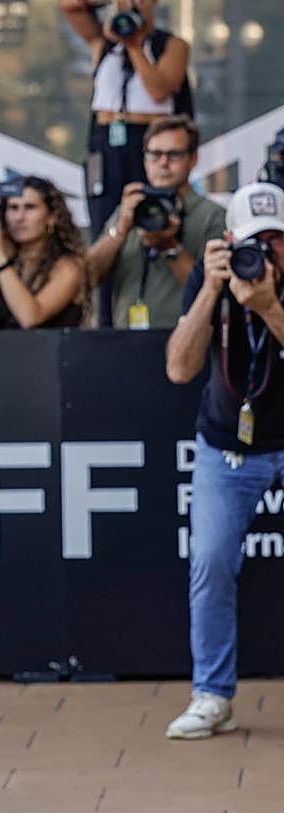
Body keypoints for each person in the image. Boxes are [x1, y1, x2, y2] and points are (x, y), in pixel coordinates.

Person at [164, 182, 284, 739]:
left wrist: (271, 309)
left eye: (276, 241)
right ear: (228, 241)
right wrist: (213, 292)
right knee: (210, 559)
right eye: (253, 243)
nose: (264, 256)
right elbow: (179, 369)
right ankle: (212, 695)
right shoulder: (211, 276)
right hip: (226, 446)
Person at [60, 0, 191, 236]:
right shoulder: (104, 43)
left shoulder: (170, 45)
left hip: (148, 139)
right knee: (104, 216)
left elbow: (159, 91)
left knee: (150, 213)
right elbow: (69, 5)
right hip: (106, 139)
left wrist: (134, 46)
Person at [85, 116, 224, 329]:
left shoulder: (212, 216)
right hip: (128, 341)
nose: (163, 163)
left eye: (174, 155)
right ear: (144, 159)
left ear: (193, 158)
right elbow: (88, 277)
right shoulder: (130, 209)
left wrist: (168, 246)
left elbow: (212, 291)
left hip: (186, 340)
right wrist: (120, 229)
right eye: (155, 154)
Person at [0, 176, 87, 329]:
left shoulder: (67, 267)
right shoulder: (2, 264)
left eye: (30, 207)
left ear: (51, 217)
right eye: (13, 208)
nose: (19, 217)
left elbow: (30, 317)